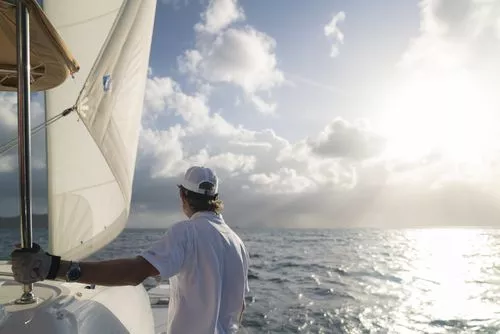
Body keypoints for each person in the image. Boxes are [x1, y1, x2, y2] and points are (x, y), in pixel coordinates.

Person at [10, 166, 250, 334]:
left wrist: (53, 267)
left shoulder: (187, 232)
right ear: (215, 198)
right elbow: (240, 306)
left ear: (183, 195)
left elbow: (136, 272)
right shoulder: (237, 243)